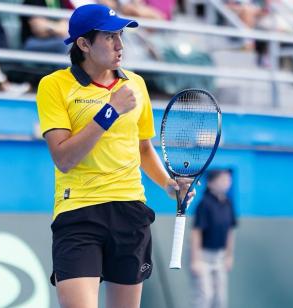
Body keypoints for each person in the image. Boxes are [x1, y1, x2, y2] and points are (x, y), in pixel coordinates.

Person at [36, 4, 193, 307]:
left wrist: (168, 184)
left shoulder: (135, 84)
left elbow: (144, 148)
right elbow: (64, 159)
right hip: (79, 212)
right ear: (84, 44)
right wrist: (109, 112)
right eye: (109, 37)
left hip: (130, 211)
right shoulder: (54, 86)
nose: (120, 44)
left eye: (120, 35)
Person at [190, 169, 237, 308]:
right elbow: (196, 232)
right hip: (203, 256)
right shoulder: (204, 204)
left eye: (228, 179)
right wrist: (195, 260)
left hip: (220, 257)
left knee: (220, 298)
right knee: (204, 295)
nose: (226, 182)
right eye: (222, 179)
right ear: (210, 183)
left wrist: (229, 256)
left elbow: (230, 231)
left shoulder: (228, 203)